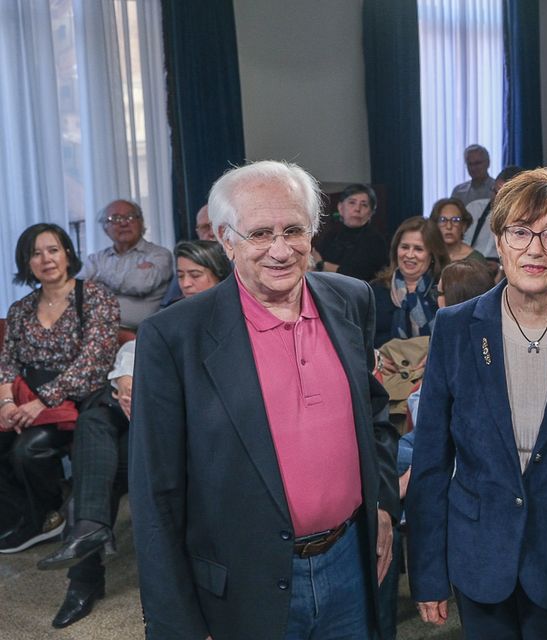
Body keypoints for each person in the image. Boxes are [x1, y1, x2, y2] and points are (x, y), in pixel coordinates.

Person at [129, 160, 400, 640]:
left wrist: (381, 505)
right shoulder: (174, 337)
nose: (280, 250)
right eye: (259, 234)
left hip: (351, 564)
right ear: (225, 239)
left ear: (312, 231)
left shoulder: (352, 299)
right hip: (243, 584)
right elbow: (156, 495)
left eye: (293, 230)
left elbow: (375, 415)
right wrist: (178, 626)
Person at [408, 167, 547, 639]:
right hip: (480, 555)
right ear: (499, 240)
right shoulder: (455, 327)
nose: (535, 249)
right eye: (520, 232)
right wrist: (427, 571)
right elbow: (431, 459)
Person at [37, 240, 231, 629]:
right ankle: (88, 546)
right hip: (149, 429)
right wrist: (125, 377)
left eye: (196, 275)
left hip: (190, 436)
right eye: (181, 276)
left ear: (220, 277)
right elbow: (138, 344)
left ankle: (87, 554)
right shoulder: (173, 313)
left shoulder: (230, 320)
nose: (186, 284)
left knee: (99, 460)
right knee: (96, 427)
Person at [0, 224, 119, 554]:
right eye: (35, 253)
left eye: (53, 250)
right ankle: (23, 515)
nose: (46, 259)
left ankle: (46, 516)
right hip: (27, 398)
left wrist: (43, 401)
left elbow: (94, 362)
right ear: (26, 262)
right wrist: (6, 402)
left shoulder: (95, 297)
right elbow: (8, 362)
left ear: (67, 253)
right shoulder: (21, 309)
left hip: (79, 398)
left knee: (26, 451)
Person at [79, 199, 173, 329]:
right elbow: (78, 289)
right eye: (115, 219)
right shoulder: (95, 259)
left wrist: (99, 276)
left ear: (141, 223)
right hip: (95, 329)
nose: (123, 223)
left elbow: (140, 285)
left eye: (130, 217)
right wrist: (130, 275)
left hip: (139, 332)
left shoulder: (159, 255)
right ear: (105, 228)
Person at [370, 217, 449, 349]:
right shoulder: (375, 290)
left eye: (418, 249)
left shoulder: (444, 291)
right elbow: (361, 340)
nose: (410, 255)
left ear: (433, 255)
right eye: (405, 247)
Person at [312, 183, 389, 282]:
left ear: (371, 213)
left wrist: (323, 265)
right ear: (340, 208)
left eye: (364, 205)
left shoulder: (376, 241)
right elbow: (314, 261)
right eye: (352, 203)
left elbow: (362, 276)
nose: (357, 209)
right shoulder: (330, 237)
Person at [465, 165, 524, 260]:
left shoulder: (525, 220)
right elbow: (462, 245)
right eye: (495, 191)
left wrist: (499, 266)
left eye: (503, 196)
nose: (497, 199)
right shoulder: (474, 208)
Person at [428, 198, 486, 263]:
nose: (449, 226)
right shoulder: (428, 255)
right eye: (442, 220)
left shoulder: (476, 259)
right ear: (435, 225)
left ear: (463, 226)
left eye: (455, 220)